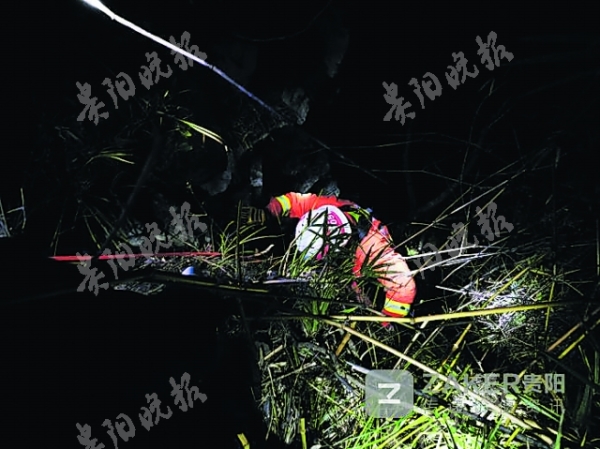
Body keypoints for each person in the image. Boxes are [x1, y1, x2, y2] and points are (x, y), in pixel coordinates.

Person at [266, 192, 416, 327]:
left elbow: (404, 286)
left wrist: (386, 320)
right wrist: (271, 210)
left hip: (367, 283)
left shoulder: (372, 249)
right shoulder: (327, 210)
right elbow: (295, 201)